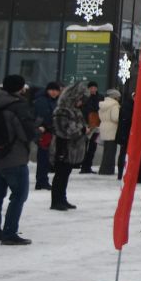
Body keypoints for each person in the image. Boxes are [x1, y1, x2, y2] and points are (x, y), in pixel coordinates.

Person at [0, 74, 37, 244]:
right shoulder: (18, 106)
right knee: (18, 196)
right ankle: (9, 233)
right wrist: (36, 131)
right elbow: (25, 133)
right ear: (20, 88)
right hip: (15, 157)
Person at [48, 80, 90, 211]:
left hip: (71, 148)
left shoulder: (74, 110)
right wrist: (82, 130)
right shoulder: (62, 111)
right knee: (60, 174)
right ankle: (56, 201)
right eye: (80, 99)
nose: (81, 103)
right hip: (63, 147)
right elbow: (64, 130)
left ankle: (62, 198)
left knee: (65, 174)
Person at [33, 80, 61, 191]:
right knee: (43, 157)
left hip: (52, 132)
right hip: (45, 132)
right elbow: (44, 116)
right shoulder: (42, 101)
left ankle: (43, 180)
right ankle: (41, 181)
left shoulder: (56, 101)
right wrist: (47, 126)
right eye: (51, 90)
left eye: (56, 90)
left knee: (47, 157)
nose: (54, 92)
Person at [96, 89, 122, 176]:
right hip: (112, 129)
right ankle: (108, 170)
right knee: (111, 151)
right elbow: (115, 118)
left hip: (103, 127)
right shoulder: (114, 105)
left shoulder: (103, 105)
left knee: (107, 151)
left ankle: (104, 168)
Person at [79, 81, 102, 174]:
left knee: (93, 146)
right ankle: (83, 166)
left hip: (96, 124)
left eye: (94, 87)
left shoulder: (100, 97)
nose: (93, 89)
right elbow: (83, 111)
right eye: (91, 88)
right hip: (86, 124)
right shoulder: (84, 98)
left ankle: (88, 166)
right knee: (84, 146)